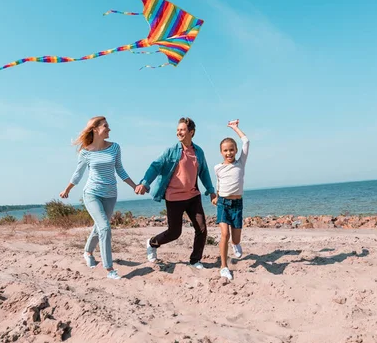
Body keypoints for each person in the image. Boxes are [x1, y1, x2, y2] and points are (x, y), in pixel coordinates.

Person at [59, 116, 137, 280]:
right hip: (92, 194)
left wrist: (134, 186)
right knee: (105, 227)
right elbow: (78, 174)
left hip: (110, 195)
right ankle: (109, 269)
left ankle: (87, 252)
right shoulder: (86, 152)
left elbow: (120, 170)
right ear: (95, 129)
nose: (109, 129)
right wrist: (67, 189)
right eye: (105, 126)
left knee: (100, 226)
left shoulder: (115, 148)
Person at [135, 117, 216, 269]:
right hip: (174, 198)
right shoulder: (171, 151)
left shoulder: (198, 152)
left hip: (193, 196)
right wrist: (145, 183)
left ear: (191, 132)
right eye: (178, 129)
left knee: (202, 229)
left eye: (182, 129)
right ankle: (152, 243)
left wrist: (211, 191)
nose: (179, 132)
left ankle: (195, 260)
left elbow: (204, 172)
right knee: (174, 232)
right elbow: (155, 166)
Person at [212, 120, 249, 280]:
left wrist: (235, 128)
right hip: (223, 204)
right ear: (221, 152)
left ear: (236, 150)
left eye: (231, 150)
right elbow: (219, 183)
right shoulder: (217, 167)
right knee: (224, 234)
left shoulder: (241, 162)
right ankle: (223, 266)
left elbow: (246, 141)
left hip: (237, 205)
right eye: (225, 151)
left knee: (235, 238)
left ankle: (236, 243)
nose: (229, 153)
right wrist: (216, 195)